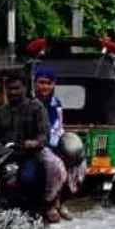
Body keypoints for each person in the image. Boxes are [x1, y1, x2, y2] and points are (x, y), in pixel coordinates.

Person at [0, 76, 59, 222]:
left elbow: (44, 134)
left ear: (25, 89)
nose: (13, 92)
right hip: (3, 158)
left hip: (28, 156)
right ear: (5, 90)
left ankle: (39, 210)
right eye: (10, 89)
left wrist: (34, 143)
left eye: (16, 88)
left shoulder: (36, 108)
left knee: (28, 178)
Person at [32, 67, 75, 220]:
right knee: (54, 164)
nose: (44, 87)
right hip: (32, 144)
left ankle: (60, 201)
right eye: (40, 82)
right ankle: (49, 204)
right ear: (35, 83)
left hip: (52, 142)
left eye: (48, 83)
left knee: (75, 160)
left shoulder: (56, 104)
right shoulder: (29, 102)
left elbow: (58, 126)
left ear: (53, 84)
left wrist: (57, 144)